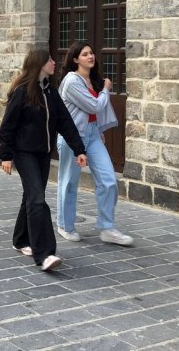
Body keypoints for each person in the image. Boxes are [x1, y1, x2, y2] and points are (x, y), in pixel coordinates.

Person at [0, 49, 87, 271]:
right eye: (49, 60)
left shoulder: (51, 92)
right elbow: (7, 127)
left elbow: (65, 122)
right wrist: (6, 155)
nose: (54, 62)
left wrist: (79, 150)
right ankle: (45, 254)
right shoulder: (22, 92)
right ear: (39, 64)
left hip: (43, 154)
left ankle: (21, 240)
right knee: (37, 199)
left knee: (32, 196)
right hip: (24, 153)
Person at [56, 42, 133, 246]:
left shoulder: (93, 80)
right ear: (75, 59)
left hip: (92, 135)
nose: (90, 56)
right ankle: (65, 225)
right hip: (72, 137)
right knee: (69, 182)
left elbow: (94, 114)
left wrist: (98, 130)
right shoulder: (71, 81)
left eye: (91, 53)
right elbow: (94, 106)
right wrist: (106, 90)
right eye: (85, 54)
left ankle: (107, 228)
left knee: (109, 180)